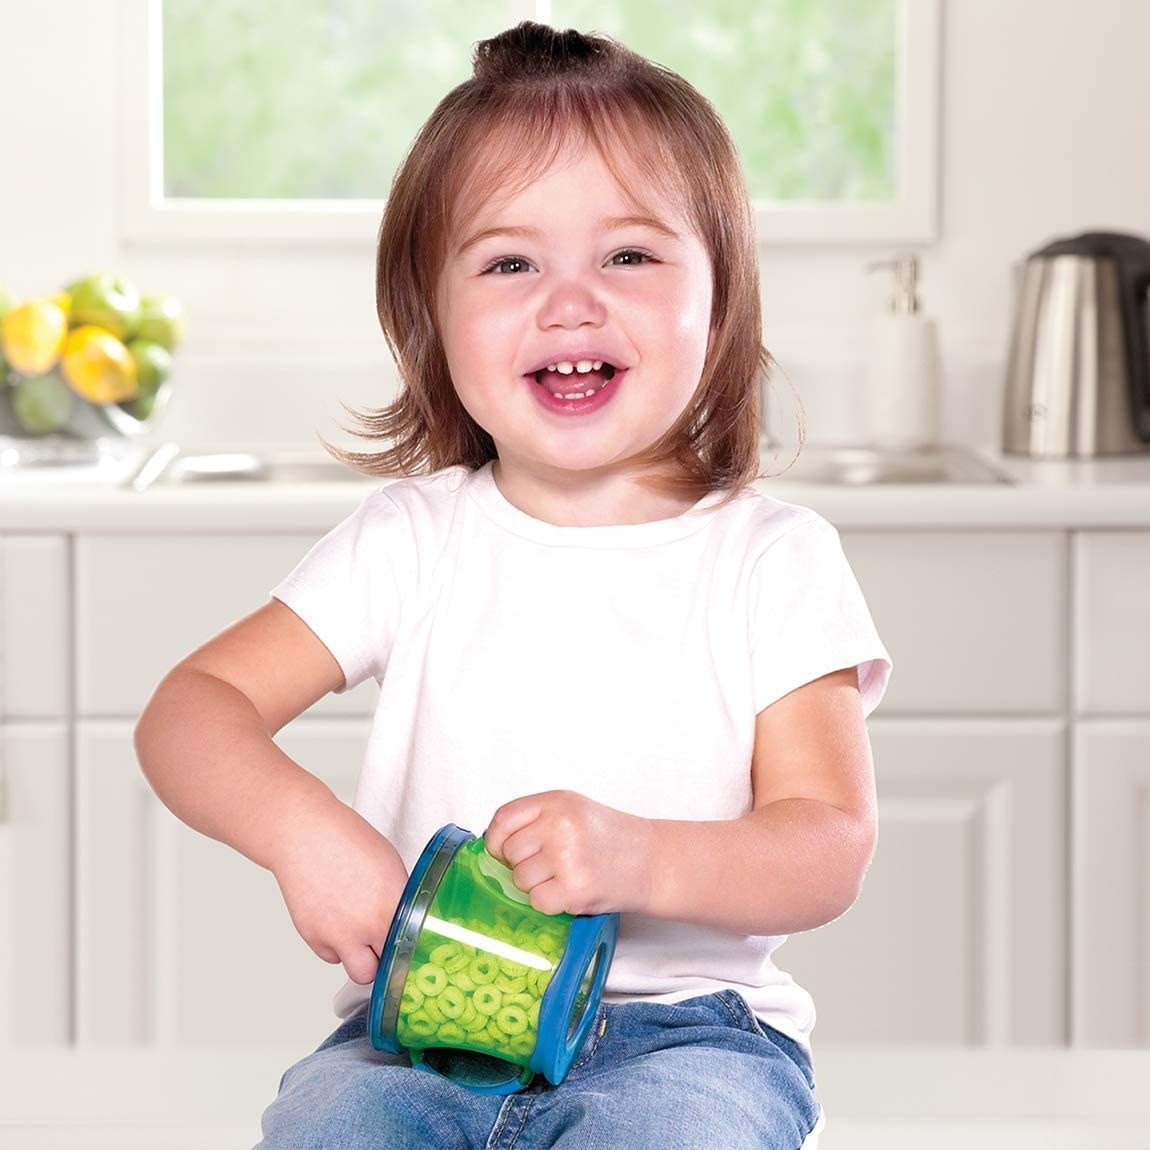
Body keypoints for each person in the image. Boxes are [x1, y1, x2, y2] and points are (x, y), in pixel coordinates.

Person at [135, 20, 892, 1150]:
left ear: (721, 299)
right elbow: (190, 713)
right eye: (508, 262)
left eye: (628, 255)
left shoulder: (770, 560)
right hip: (415, 1035)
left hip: (689, 1037)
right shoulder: (410, 542)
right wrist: (304, 832)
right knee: (329, 1124)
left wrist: (639, 856)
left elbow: (826, 845)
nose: (570, 301)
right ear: (431, 323)